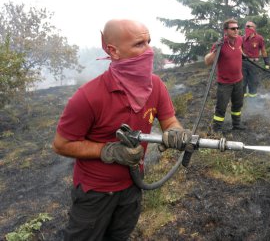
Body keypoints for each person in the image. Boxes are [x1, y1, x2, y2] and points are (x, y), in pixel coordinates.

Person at [52, 19, 192, 241]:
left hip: (132, 185)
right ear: (113, 51)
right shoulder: (88, 97)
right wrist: (109, 151)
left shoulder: (155, 85)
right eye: (139, 44)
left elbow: (170, 121)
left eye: (149, 42)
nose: (150, 50)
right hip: (95, 191)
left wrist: (176, 132)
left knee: (119, 235)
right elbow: (61, 144)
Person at [204, 18, 245, 133]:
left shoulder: (239, 40)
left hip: (238, 80)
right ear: (225, 31)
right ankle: (217, 129)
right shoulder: (220, 45)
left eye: (237, 28)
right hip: (225, 83)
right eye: (233, 29)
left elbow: (239, 50)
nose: (236, 30)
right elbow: (207, 61)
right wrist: (215, 51)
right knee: (221, 107)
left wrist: (244, 56)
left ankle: (236, 124)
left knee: (238, 104)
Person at [242, 21, 269, 97]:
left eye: (249, 26)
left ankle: (253, 97)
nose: (247, 28)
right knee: (242, 81)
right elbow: (238, 49)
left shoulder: (259, 38)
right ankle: (242, 97)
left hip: (254, 63)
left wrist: (266, 63)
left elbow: (263, 50)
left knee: (253, 81)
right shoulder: (242, 38)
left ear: (254, 28)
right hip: (243, 63)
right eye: (246, 26)